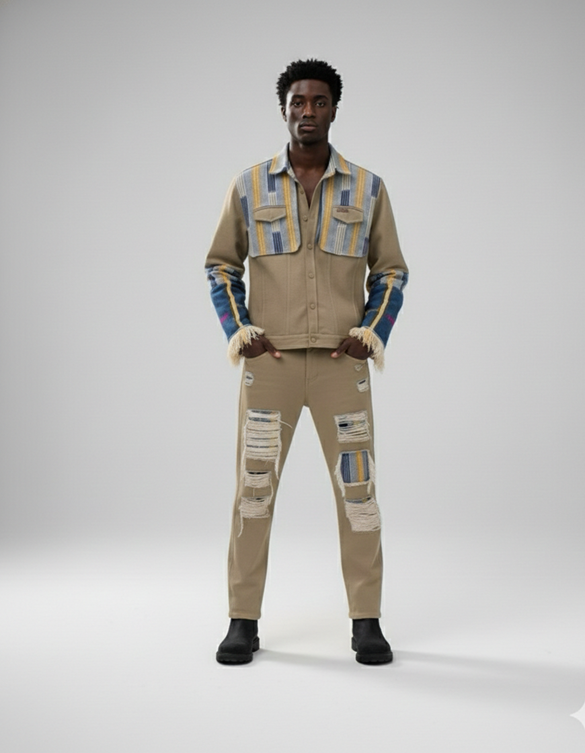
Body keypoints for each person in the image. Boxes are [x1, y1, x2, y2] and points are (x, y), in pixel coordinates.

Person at [205, 59, 408, 665]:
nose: (308, 111)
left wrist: (370, 334)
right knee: (253, 491)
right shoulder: (249, 186)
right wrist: (240, 333)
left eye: (319, 101)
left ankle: (366, 621)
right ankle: (243, 620)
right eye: (298, 101)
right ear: (284, 109)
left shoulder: (368, 188)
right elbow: (220, 265)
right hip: (268, 366)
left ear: (334, 109)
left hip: (342, 369)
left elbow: (391, 272)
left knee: (358, 492)